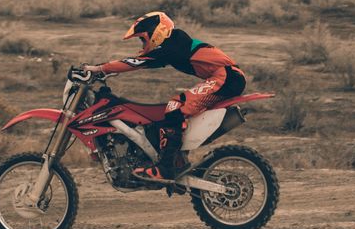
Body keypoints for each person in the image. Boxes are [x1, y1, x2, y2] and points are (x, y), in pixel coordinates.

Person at [84, 10, 246, 183]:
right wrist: (106, 70)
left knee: (175, 107)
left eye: (142, 38)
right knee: (174, 108)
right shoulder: (172, 44)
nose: (142, 43)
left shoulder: (174, 43)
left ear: (156, 32)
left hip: (227, 78)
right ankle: (176, 159)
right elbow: (139, 60)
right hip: (224, 77)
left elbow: (135, 62)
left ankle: (166, 167)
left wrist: (100, 69)